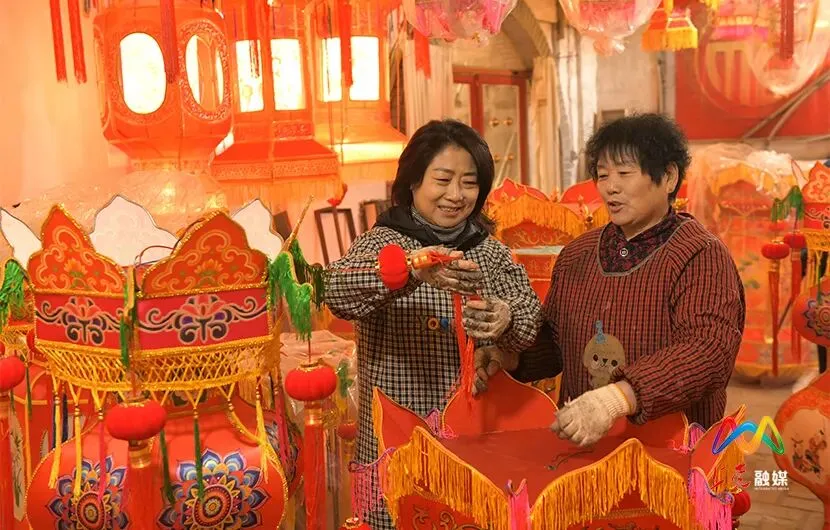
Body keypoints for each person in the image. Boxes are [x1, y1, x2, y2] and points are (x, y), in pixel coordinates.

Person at [325, 119, 542, 528]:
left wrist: (506, 317)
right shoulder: (384, 242)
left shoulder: (488, 251)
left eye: (469, 183)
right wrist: (409, 270)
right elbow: (336, 291)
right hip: (395, 438)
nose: (456, 195)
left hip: (474, 437)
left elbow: (530, 320)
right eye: (442, 180)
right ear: (413, 181)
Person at [512, 113, 746, 447]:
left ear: (668, 177)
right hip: (586, 449)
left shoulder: (700, 255)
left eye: (624, 173)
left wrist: (618, 398)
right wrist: (509, 355)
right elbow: (555, 346)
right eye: (602, 175)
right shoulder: (577, 254)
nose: (611, 186)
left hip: (670, 452)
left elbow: (707, 351)